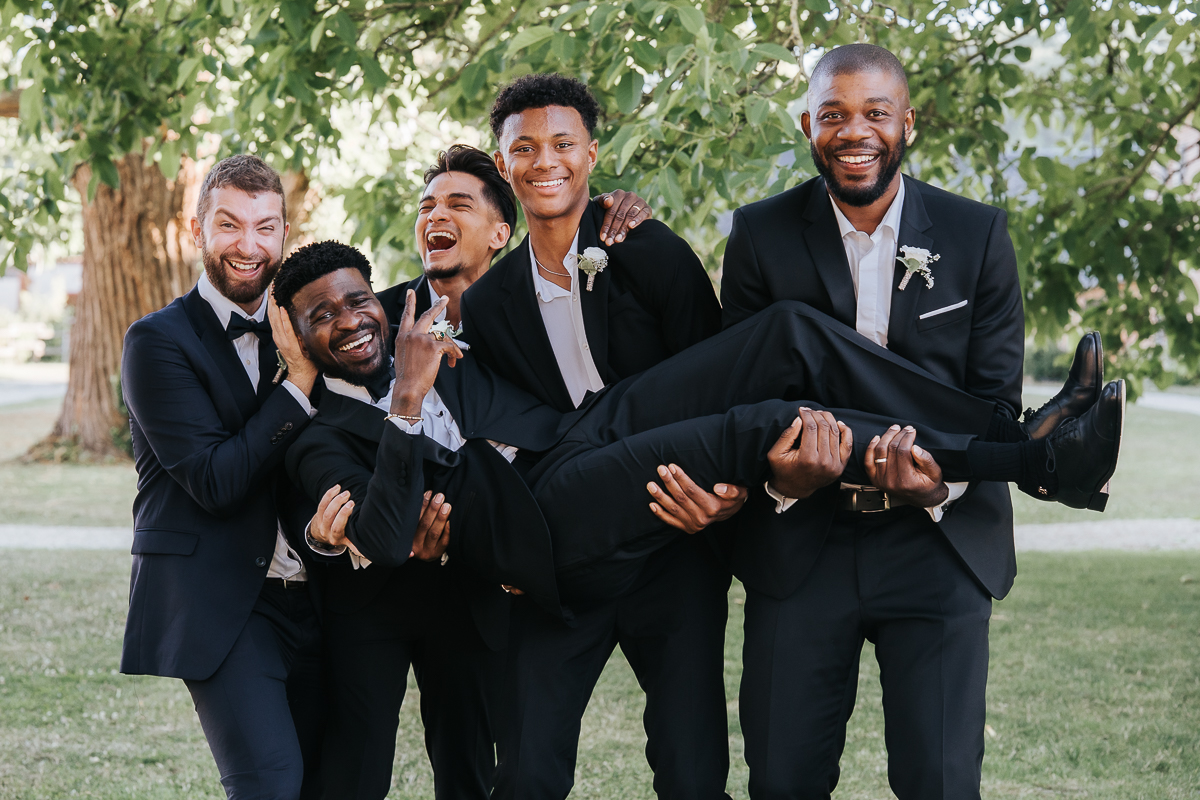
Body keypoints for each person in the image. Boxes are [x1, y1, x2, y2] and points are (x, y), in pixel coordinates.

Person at [718, 44, 1120, 799]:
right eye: (833, 114)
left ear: (907, 123)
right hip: (802, 539)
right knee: (781, 781)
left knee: (940, 783)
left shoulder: (976, 234)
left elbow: (991, 400)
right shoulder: (760, 235)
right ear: (807, 126)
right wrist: (782, 478)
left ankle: (1033, 453)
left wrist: (937, 485)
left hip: (939, 538)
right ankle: (1040, 456)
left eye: (875, 113)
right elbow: (743, 402)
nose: (854, 131)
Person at [302, 144, 653, 800]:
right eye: (426, 205)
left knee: (476, 766)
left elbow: (562, 428)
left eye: (458, 204)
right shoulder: (374, 317)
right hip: (374, 580)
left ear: (500, 232)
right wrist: (326, 534)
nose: (435, 215)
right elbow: (313, 421)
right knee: (353, 769)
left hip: (483, 583)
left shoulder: (539, 320)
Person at [458, 74, 745, 799]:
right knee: (525, 771)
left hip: (673, 540)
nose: (544, 161)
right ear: (504, 165)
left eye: (562, 143)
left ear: (590, 154)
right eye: (524, 148)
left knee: (691, 770)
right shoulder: (488, 304)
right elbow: (504, 438)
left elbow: (718, 382)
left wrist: (725, 497)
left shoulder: (649, 252)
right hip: (566, 556)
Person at [119, 155, 325, 800]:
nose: (248, 245)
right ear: (196, 230)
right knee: (269, 784)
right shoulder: (156, 342)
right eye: (229, 225)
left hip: (322, 598)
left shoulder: (308, 325)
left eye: (265, 227)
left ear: (284, 233)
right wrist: (297, 388)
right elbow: (214, 479)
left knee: (334, 783)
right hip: (223, 603)